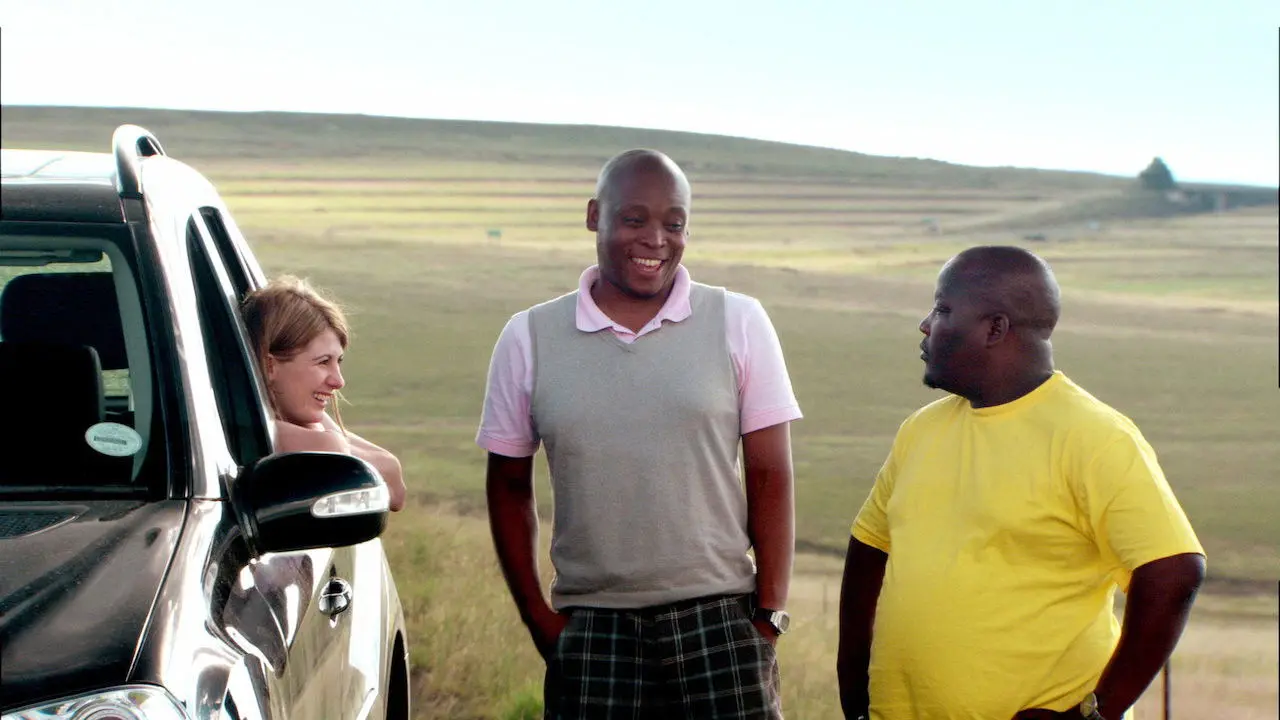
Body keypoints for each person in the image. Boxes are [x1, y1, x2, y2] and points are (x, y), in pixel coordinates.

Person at [477, 149, 803, 718]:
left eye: (673, 223)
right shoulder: (529, 336)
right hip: (593, 630)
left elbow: (770, 471)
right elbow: (508, 485)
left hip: (722, 624)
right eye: (634, 219)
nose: (656, 239)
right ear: (593, 216)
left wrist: (768, 616)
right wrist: (540, 621)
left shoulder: (739, 320)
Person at [836, 246, 1205, 720]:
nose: (925, 325)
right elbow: (870, 546)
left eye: (943, 309)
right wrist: (853, 682)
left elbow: (1174, 573)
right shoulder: (922, 429)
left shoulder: (1094, 437)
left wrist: (1094, 713)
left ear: (995, 328)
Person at [241, 275, 406, 512]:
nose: (338, 381)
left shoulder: (256, 423)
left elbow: (394, 481)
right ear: (270, 366)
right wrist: (328, 435)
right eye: (322, 362)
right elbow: (384, 474)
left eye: (338, 361)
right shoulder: (260, 432)